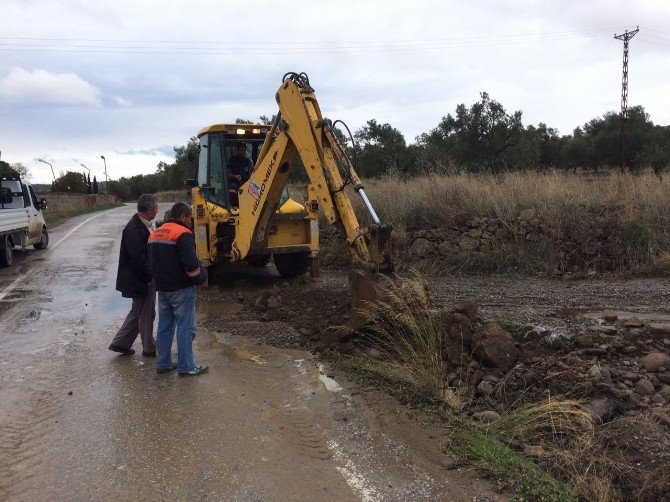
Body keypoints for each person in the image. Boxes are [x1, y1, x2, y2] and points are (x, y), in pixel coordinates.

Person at [148, 202, 209, 376]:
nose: (190, 221)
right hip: (181, 289)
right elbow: (191, 265)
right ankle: (186, 366)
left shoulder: (155, 234)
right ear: (182, 216)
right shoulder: (183, 233)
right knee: (186, 328)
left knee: (164, 327)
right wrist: (201, 277)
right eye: (189, 217)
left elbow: (151, 263)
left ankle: (163, 363)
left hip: (163, 289)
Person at [109, 194, 158, 357]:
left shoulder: (140, 225)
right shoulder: (135, 229)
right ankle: (149, 348)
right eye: (155, 209)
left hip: (136, 278)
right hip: (139, 280)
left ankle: (120, 343)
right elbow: (138, 258)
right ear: (150, 210)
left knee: (137, 312)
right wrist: (149, 278)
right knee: (147, 313)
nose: (156, 212)